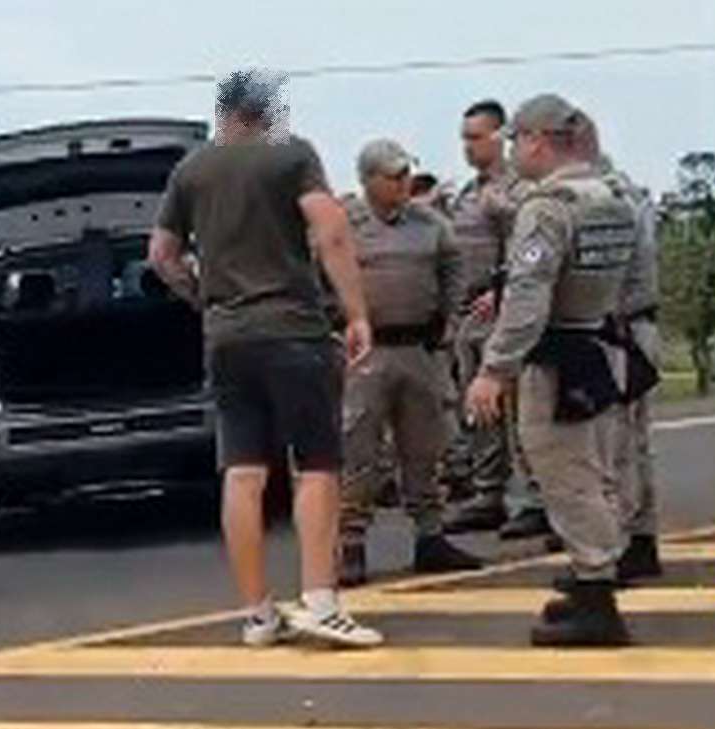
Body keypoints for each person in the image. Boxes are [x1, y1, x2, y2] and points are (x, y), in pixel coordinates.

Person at [149, 69, 382, 648]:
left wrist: (203, 297)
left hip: (227, 336)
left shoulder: (191, 169)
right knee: (318, 464)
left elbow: (162, 256)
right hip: (293, 330)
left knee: (244, 472)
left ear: (224, 110)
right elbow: (330, 232)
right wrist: (355, 313)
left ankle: (258, 614)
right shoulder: (291, 155)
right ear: (268, 112)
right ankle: (320, 600)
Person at [465, 94, 637, 646]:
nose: (513, 150)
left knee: (563, 473)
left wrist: (495, 368)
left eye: (516, 139)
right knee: (598, 470)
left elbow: (529, 295)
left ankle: (596, 595)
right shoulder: (613, 196)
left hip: (557, 353)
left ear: (539, 140)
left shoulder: (548, 207)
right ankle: (595, 578)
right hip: (600, 343)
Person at [338, 139, 482, 586]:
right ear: (369, 180)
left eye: (406, 175)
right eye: (393, 176)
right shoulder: (345, 224)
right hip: (365, 353)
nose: (403, 184)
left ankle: (430, 536)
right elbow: (317, 273)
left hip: (419, 347)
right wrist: (337, 321)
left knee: (424, 449)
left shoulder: (431, 224)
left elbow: (454, 271)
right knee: (359, 450)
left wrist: (446, 319)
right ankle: (350, 545)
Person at [446, 99, 551, 540]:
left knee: (516, 408)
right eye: (464, 139)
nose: (468, 147)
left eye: (476, 138)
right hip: (467, 314)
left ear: (499, 137)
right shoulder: (469, 193)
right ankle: (488, 493)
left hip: (504, 310)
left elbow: (534, 249)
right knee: (478, 411)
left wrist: (500, 291)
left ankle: (536, 497)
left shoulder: (520, 191)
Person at [574, 114, 663, 580]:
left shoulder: (600, 198)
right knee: (631, 442)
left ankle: (622, 543)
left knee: (613, 444)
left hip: (617, 330)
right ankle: (638, 538)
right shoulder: (629, 191)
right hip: (631, 327)